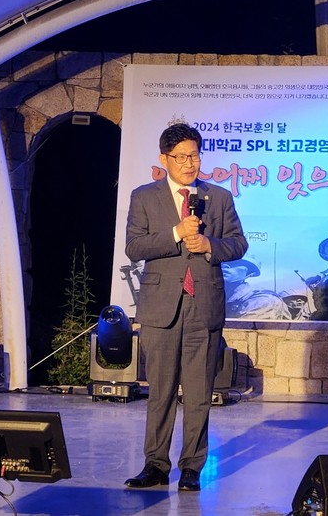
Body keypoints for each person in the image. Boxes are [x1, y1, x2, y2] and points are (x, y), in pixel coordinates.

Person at [123, 123, 248, 492]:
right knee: (160, 392)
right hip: (161, 309)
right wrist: (177, 233)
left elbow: (238, 243)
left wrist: (210, 246)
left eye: (194, 156)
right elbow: (135, 247)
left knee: (198, 393)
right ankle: (155, 465)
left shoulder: (219, 197)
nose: (189, 164)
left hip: (204, 306)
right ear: (164, 159)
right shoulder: (144, 197)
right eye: (181, 157)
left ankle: (192, 466)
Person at [222, 256, 291, 320]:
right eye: (219, 263)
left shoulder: (263, 301)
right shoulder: (223, 299)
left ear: (250, 272)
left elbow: (241, 328)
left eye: (235, 262)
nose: (224, 265)